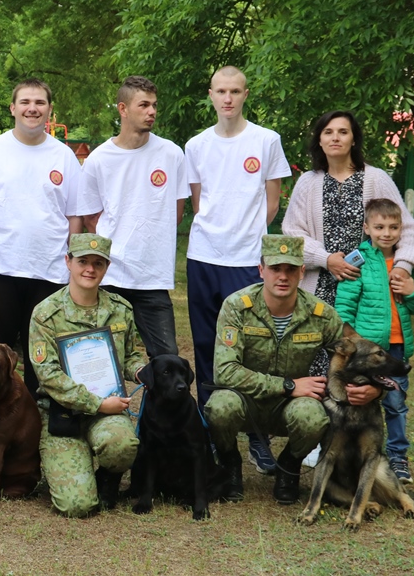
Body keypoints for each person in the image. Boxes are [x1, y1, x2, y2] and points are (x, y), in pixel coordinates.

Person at [204, 235, 380, 505]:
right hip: (245, 401)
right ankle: (230, 463)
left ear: (301, 272)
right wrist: (288, 385)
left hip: (289, 407)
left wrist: (374, 387)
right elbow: (225, 372)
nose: (282, 277)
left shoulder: (320, 314)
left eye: (290, 270)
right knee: (219, 406)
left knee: (313, 417)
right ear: (261, 270)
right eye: (275, 269)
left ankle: (290, 465)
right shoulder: (236, 306)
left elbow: (359, 352)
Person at [184, 65, 291, 473]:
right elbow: (198, 203)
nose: (227, 98)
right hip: (204, 257)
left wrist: (246, 237)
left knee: (252, 349)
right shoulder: (195, 146)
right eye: (220, 91)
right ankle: (216, 436)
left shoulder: (266, 141)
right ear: (210, 95)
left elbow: (273, 201)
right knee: (208, 345)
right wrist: (217, 233)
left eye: (235, 91)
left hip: (247, 260)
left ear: (246, 94)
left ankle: (258, 437)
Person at [0, 79, 83, 395]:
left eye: (40, 103)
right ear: (13, 108)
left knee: (44, 357)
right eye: (25, 102)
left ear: (49, 110)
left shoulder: (64, 157)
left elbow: (74, 216)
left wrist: (72, 266)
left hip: (49, 271)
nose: (32, 108)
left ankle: (40, 423)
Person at [29, 233, 146, 517]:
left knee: (122, 445)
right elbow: (48, 374)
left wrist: (143, 371)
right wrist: (96, 404)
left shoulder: (120, 309)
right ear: (68, 262)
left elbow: (129, 356)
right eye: (83, 261)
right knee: (77, 506)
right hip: (61, 412)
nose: (90, 269)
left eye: (98, 263)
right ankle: (75, 472)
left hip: (108, 410)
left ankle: (108, 476)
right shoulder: (45, 314)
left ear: (106, 267)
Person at [77, 75, 188, 358]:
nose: (151, 111)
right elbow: (91, 218)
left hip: (152, 275)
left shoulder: (171, 154)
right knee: (103, 358)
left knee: (167, 360)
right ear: (123, 109)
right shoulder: (99, 159)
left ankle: (155, 405)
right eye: (143, 105)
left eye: (154, 105)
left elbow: (175, 212)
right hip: (110, 274)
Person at [282, 109, 414, 305]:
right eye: (328, 132)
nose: (335, 138)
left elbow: (407, 229)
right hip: (316, 289)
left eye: (343, 132)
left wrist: (403, 266)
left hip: (367, 291)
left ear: (354, 139)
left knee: (361, 337)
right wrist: (326, 259)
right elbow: (292, 233)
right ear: (320, 141)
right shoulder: (307, 182)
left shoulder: (376, 179)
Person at [334, 199, 414, 484]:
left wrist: (412, 291)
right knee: (357, 400)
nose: (386, 233)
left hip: (398, 347)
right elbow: (345, 304)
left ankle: (398, 456)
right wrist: (351, 340)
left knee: (396, 402)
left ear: (402, 229)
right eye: (379, 227)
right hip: (368, 352)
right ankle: (350, 451)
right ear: (367, 228)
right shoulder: (358, 259)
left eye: (393, 227)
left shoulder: (412, 263)